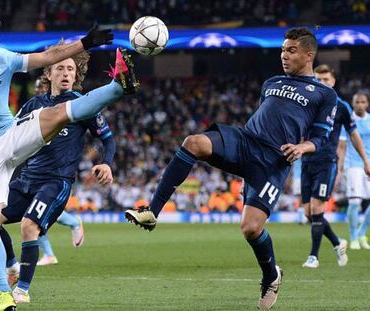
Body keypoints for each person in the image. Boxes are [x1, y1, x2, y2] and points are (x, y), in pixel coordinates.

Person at [126, 27, 337, 309]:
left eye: (291, 50)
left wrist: (301, 147)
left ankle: (271, 274)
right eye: (283, 50)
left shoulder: (324, 94)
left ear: (309, 54)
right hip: (245, 140)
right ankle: (152, 211)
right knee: (193, 142)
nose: (283, 55)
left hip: (273, 160)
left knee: (250, 229)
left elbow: (322, 139)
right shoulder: (271, 82)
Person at [0, 10, 137, 311]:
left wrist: (85, 43)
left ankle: (118, 86)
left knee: (56, 114)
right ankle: (4, 292)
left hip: (10, 135)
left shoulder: (5, 59)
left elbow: (47, 56)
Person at [0, 53, 117, 304]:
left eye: (71, 70)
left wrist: (106, 163)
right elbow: (12, 138)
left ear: (76, 75)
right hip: (26, 179)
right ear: (48, 74)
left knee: (29, 226)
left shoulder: (82, 104)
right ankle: (12, 267)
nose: (66, 73)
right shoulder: (33, 105)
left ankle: (22, 290)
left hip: (56, 181)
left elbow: (108, 138)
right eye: (60, 68)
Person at [300, 64, 370, 269]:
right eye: (318, 79)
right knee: (308, 213)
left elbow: (353, 135)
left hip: (326, 162)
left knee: (317, 208)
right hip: (306, 162)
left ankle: (313, 256)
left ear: (333, 81)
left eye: (326, 80)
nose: (322, 83)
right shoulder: (306, 102)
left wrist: (366, 160)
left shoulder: (341, 106)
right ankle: (338, 243)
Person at [338, 92, 370, 250]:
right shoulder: (347, 120)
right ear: (352, 103)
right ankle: (354, 238)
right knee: (355, 201)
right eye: (357, 101)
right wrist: (339, 168)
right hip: (353, 165)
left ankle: (361, 232)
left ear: (367, 104)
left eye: (363, 101)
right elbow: (342, 146)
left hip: (369, 164)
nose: (359, 104)